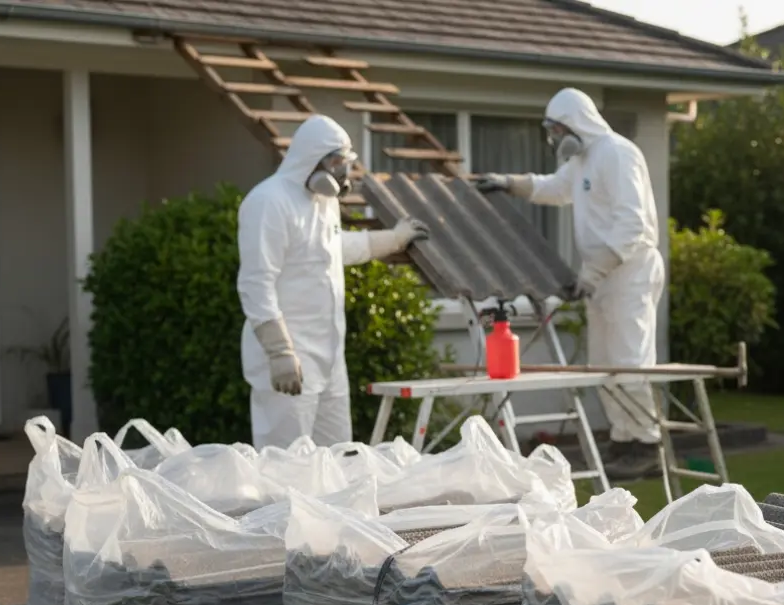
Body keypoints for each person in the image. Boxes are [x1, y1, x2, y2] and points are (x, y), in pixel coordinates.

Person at [476, 87, 666, 481]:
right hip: (603, 277)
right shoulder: (583, 161)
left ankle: (646, 443)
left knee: (630, 360)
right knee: (603, 364)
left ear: (576, 123)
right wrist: (508, 182)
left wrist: (593, 273)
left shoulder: (617, 153)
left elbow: (633, 225)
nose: (556, 139)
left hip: (630, 272)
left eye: (558, 130)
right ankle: (623, 439)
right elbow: (553, 188)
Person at [238, 115, 429, 450]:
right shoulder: (269, 201)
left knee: (339, 458)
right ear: (313, 158)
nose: (343, 172)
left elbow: (332, 249)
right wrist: (279, 351)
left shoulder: (322, 203)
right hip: (290, 357)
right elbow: (256, 282)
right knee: (285, 465)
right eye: (337, 162)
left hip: (328, 356)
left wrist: (393, 239)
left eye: (346, 162)